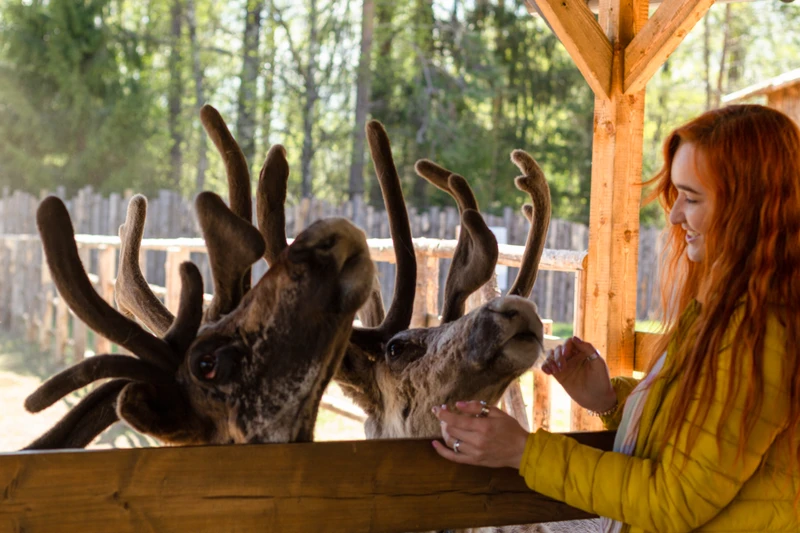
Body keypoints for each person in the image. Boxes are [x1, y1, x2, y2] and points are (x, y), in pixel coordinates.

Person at [431, 104, 800, 532]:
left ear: (750, 208)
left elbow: (673, 500)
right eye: (676, 194)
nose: (676, 215)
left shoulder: (759, 332)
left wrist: (524, 452)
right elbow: (704, 449)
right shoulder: (730, 311)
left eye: (692, 197)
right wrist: (611, 400)